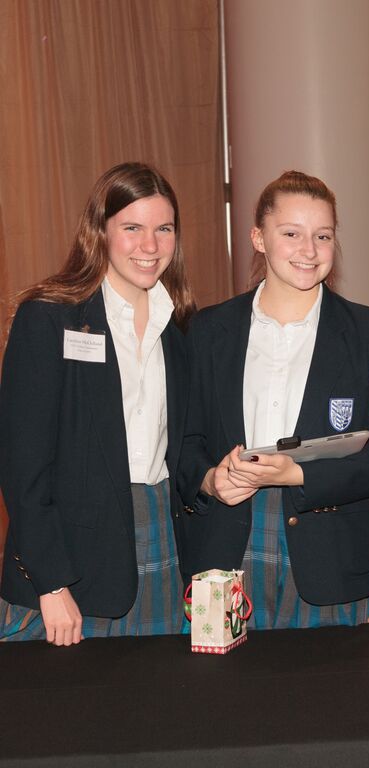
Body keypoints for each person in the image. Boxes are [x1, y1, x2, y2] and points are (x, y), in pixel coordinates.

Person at [178, 170, 369, 628]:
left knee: (337, 696)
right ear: (258, 238)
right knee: (223, 696)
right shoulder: (208, 330)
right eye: (291, 233)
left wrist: (298, 474)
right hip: (224, 551)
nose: (308, 250)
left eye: (323, 236)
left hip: (331, 557)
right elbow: (183, 442)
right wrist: (211, 479)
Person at [0, 162, 195, 644]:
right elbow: (23, 469)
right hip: (69, 565)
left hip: (159, 545)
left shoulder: (182, 327)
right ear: (100, 232)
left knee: (160, 709)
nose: (150, 246)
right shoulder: (48, 319)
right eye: (132, 228)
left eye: (163, 229)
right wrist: (51, 582)